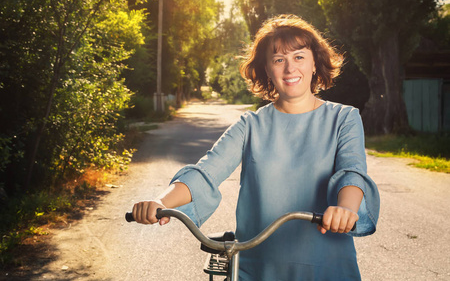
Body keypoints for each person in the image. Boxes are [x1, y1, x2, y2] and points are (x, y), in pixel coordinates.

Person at [132, 14, 380, 280]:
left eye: (299, 57)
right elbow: (206, 173)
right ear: (267, 70)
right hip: (257, 268)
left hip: (327, 266)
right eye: (278, 60)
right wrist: (160, 201)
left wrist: (347, 208)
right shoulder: (250, 124)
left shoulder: (344, 118)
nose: (289, 68)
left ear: (315, 63)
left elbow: (352, 171)